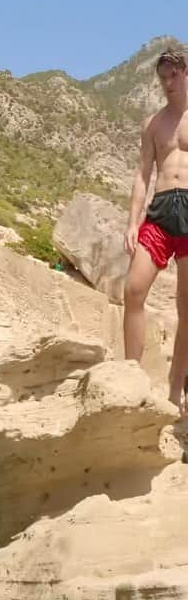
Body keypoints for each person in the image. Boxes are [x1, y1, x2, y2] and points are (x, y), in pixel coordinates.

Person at [124, 47, 188, 405]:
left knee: (187, 307)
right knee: (133, 289)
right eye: (162, 78)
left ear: (186, 74)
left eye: (173, 76)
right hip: (161, 210)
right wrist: (132, 222)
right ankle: (130, 379)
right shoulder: (153, 123)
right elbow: (141, 174)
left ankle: (176, 392)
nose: (167, 84)